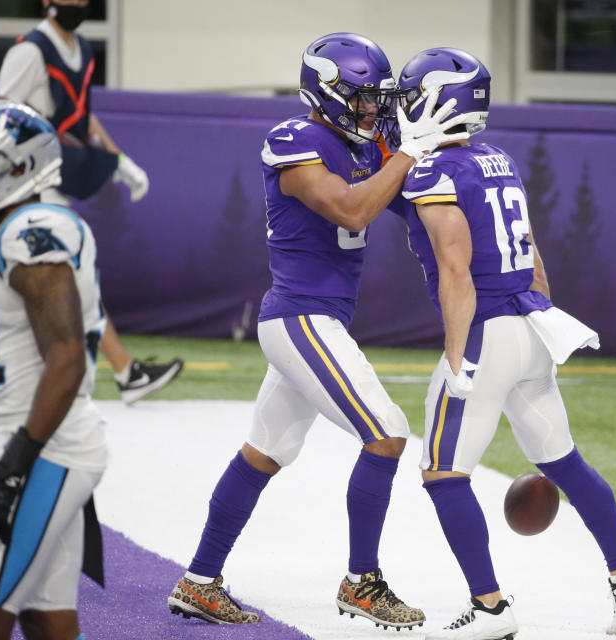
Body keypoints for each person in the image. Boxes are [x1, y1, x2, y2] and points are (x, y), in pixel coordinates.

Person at [165, 32, 468, 629]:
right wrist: (405, 154)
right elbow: (353, 209)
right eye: (362, 100)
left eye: (378, 101)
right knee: (386, 433)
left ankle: (198, 581)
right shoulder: (296, 140)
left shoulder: (371, 144)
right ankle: (362, 583)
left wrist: (448, 163)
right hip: (299, 317)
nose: (373, 112)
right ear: (325, 93)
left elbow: (415, 199)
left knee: (265, 451)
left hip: (318, 321)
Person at [392, 48, 616, 639]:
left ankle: (489, 608)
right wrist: (537, 314)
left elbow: (456, 270)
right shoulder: (497, 159)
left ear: (436, 102)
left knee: (443, 472)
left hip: (487, 333)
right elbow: (534, 256)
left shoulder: (433, 171)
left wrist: (458, 355)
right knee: (563, 460)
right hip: (532, 322)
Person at [0, 0, 182, 406]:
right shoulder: (29, 51)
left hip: (52, 170)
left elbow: (82, 116)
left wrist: (118, 158)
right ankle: (125, 370)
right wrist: (1, 183)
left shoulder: (82, 49)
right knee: (68, 267)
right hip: (24, 177)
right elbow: (0, 118)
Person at [0, 99, 107, 640]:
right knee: (45, 617)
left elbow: (66, 357)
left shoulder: (33, 227)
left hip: (44, 446)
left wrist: (17, 463)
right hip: (45, 440)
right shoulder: (18, 226)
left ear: (20, 165)